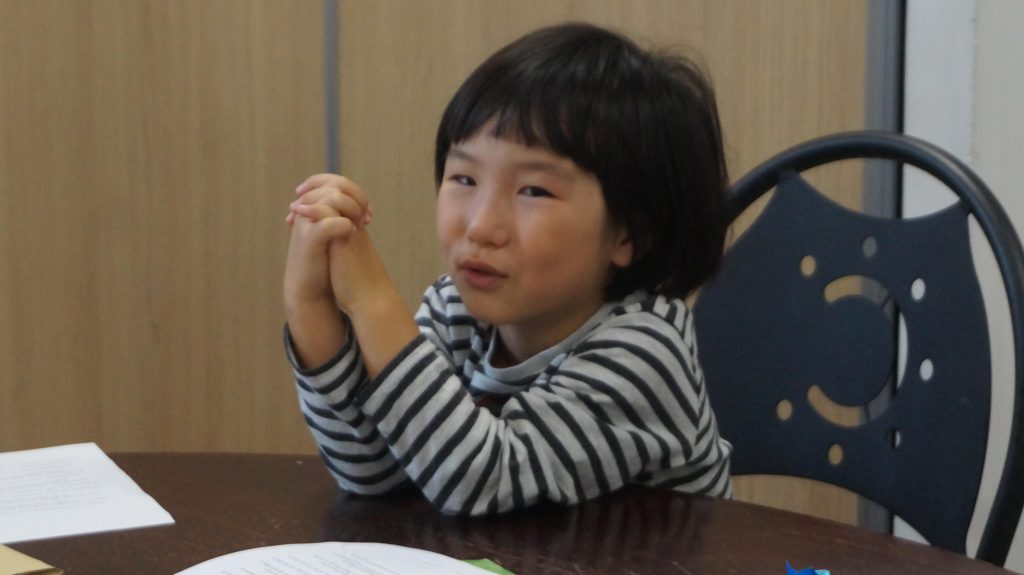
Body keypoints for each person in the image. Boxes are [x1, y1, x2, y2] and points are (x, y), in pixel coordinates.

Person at [282, 22, 732, 516]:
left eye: (533, 191)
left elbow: (479, 479)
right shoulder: (455, 310)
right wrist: (309, 305)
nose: (481, 226)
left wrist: (372, 302)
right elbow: (378, 471)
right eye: (464, 178)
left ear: (631, 235)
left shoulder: (644, 352)